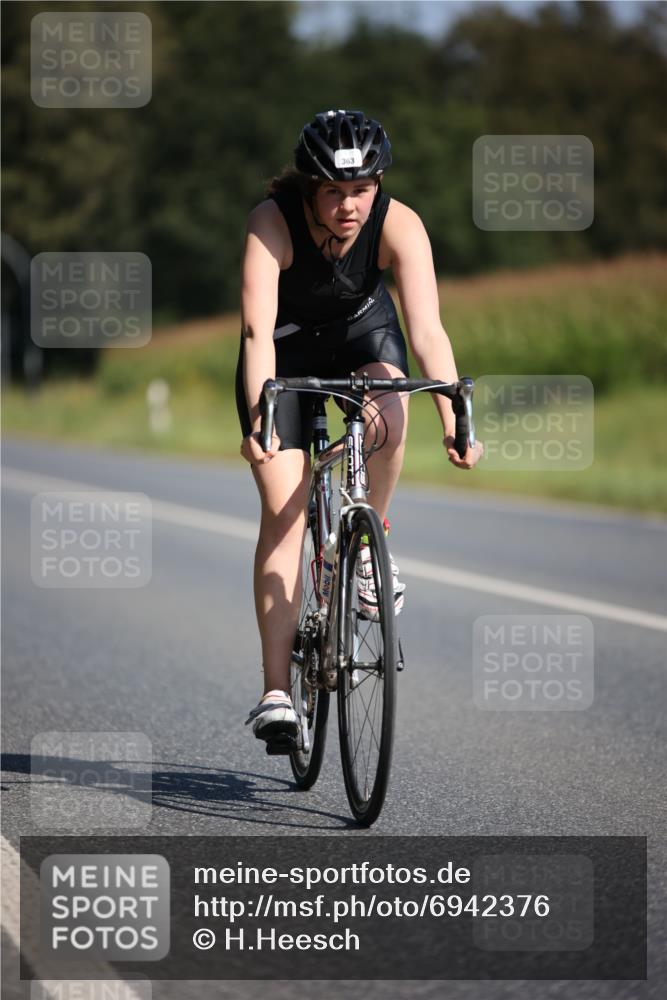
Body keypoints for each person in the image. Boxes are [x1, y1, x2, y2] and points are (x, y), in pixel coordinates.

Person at [238, 109, 483, 746]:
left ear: (377, 184)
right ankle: (275, 693)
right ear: (307, 187)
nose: (349, 207)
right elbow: (256, 332)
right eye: (333, 192)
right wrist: (264, 422)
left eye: (361, 190)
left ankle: (369, 550)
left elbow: (427, 331)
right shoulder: (272, 223)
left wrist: (455, 417)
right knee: (285, 512)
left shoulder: (399, 223)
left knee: (388, 407)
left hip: (361, 334)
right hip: (284, 356)